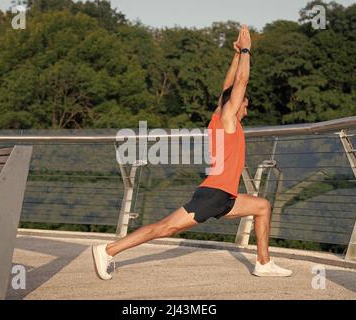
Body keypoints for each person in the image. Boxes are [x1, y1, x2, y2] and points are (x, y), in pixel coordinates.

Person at [92, 25, 292, 280]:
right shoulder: (229, 119)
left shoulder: (218, 117)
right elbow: (240, 82)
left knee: (262, 206)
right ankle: (108, 250)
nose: (246, 110)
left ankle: (263, 263)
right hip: (214, 194)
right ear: (236, 104)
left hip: (224, 195)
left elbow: (228, 86)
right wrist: (246, 50)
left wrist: (235, 56)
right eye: (246, 104)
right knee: (165, 228)